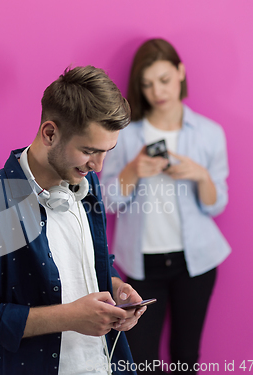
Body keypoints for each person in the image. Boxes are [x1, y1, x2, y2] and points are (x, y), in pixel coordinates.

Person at [0, 66, 148, 375]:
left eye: (107, 151)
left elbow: (92, 262)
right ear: (50, 133)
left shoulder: (85, 183)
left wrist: (117, 288)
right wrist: (69, 317)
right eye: (88, 151)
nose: (97, 165)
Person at [100, 39, 231, 374]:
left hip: (196, 261)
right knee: (142, 360)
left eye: (164, 80)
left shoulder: (208, 133)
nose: (157, 91)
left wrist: (201, 175)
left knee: (186, 355)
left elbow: (216, 205)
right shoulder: (124, 136)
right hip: (143, 265)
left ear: (180, 73)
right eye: (146, 84)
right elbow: (108, 201)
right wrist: (133, 170)